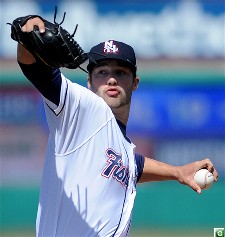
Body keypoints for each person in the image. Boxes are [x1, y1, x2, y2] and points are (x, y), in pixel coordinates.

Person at [15, 16, 218, 237]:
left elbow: (132, 165)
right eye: (102, 72)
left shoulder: (120, 144)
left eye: (120, 73)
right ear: (89, 82)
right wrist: (25, 35)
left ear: (135, 83)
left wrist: (178, 172)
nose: (111, 79)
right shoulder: (81, 107)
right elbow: (35, 70)